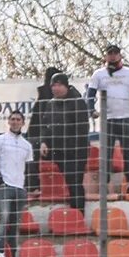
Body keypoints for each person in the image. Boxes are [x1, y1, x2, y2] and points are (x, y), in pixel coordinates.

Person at [85, 44, 129, 196]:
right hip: (107, 120)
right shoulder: (98, 74)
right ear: (105, 56)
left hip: (125, 119)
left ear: (120, 55)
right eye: (110, 53)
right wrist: (91, 110)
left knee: (128, 152)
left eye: (116, 53)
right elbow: (90, 94)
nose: (113, 56)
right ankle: (104, 186)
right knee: (106, 154)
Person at [30, 70, 90, 210]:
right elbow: (45, 125)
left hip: (75, 151)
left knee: (74, 183)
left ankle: (78, 214)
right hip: (57, 149)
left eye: (58, 85)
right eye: (53, 86)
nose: (55, 88)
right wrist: (44, 141)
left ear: (66, 86)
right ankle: (33, 184)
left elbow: (82, 129)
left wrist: (69, 147)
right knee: (32, 145)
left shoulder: (77, 101)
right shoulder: (50, 103)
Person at [0, 109, 33, 257]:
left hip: (19, 188)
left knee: (15, 223)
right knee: (3, 218)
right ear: (8, 121)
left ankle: (13, 254)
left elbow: (29, 167)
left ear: (22, 122)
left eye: (18, 119)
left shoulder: (26, 145)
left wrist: (26, 187)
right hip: (4, 186)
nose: (15, 122)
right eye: (12, 119)